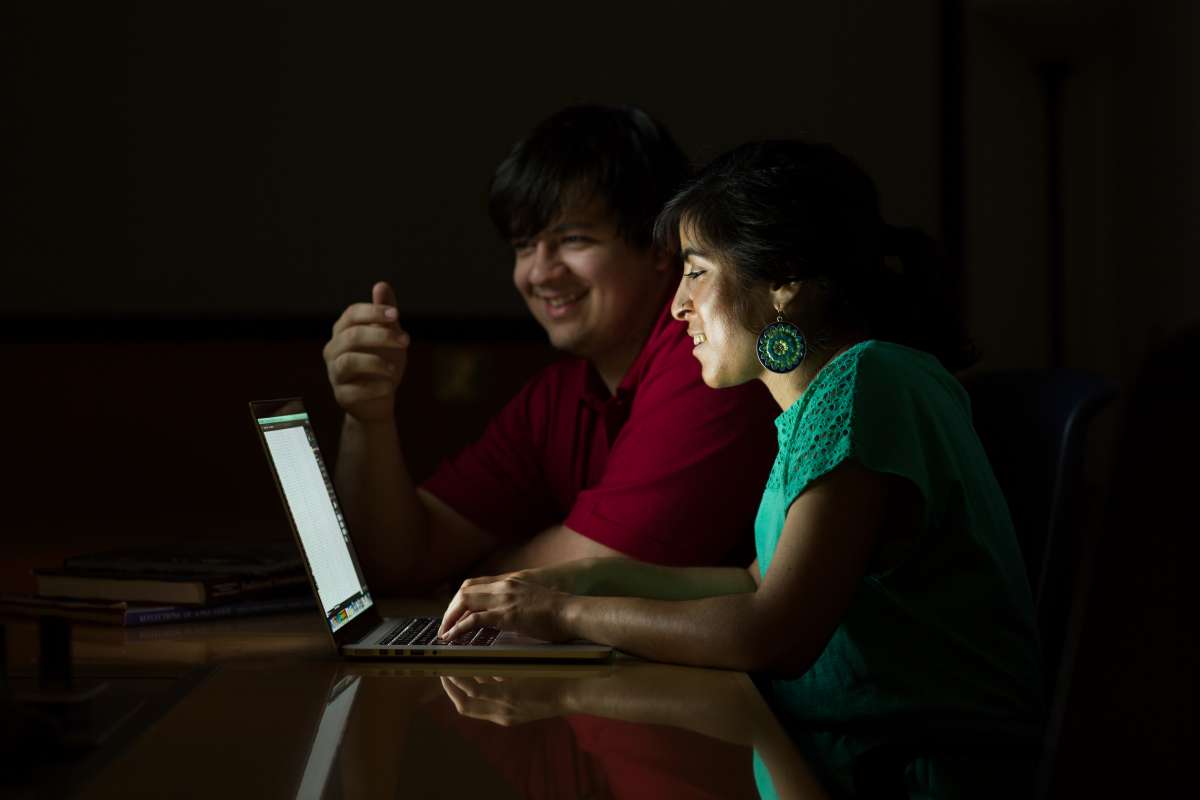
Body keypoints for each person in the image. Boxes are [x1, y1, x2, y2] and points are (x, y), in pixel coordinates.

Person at [439, 140, 1046, 739]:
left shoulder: (867, 384)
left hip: (912, 774)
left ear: (783, 279)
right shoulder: (817, 404)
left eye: (696, 273)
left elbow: (769, 634)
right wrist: (583, 578)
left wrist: (564, 615)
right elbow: (751, 583)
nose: (678, 306)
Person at [322, 106, 778, 594]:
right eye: (524, 245)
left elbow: (603, 571)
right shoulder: (556, 399)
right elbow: (399, 560)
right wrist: (367, 416)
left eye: (573, 240)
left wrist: (483, 567)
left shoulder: (706, 358)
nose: (539, 273)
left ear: (659, 245)